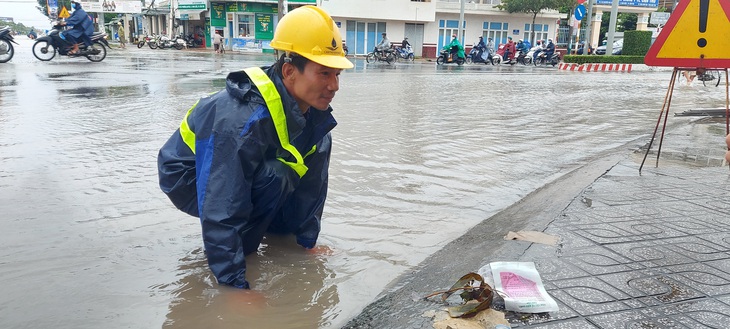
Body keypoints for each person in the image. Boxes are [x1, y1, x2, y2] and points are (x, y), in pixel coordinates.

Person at [157, 5, 353, 290]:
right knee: (275, 176)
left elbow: (313, 189)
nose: (334, 86)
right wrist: (233, 283)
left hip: (235, 170)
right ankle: (244, 250)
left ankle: (271, 231)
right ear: (289, 71)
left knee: (284, 178)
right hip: (188, 175)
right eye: (324, 74)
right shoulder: (241, 118)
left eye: (337, 75)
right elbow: (222, 200)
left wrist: (306, 245)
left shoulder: (317, 122)